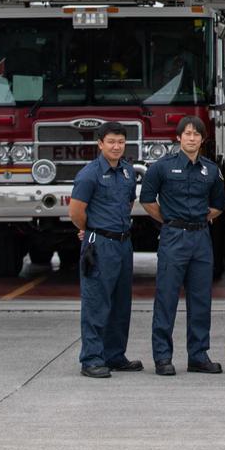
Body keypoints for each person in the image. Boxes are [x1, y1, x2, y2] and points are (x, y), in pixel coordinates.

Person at [140, 115, 225, 376]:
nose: (191, 138)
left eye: (196, 134)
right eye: (187, 133)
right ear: (178, 137)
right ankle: (163, 357)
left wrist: (198, 219)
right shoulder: (162, 167)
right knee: (166, 298)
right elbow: (147, 199)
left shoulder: (211, 170)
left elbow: (218, 206)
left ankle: (198, 356)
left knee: (201, 300)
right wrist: (169, 219)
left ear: (203, 139)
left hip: (201, 238)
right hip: (173, 237)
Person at [68, 121, 142, 378]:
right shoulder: (89, 174)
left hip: (123, 243)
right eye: (111, 142)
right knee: (96, 302)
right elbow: (76, 210)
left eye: (121, 142)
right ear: (100, 144)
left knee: (121, 302)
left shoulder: (127, 171)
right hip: (100, 244)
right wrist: (91, 231)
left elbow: (129, 201)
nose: (116, 146)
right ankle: (91, 358)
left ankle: (114, 355)